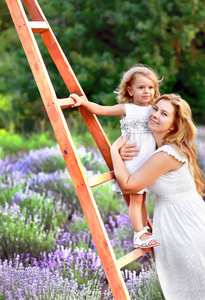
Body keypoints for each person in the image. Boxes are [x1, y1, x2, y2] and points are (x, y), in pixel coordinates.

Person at [111, 94, 205, 299]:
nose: (154, 115)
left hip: (187, 229)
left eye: (164, 114)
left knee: (203, 292)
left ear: (173, 126)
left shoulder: (166, 154)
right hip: (190, 221)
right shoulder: (162, 149)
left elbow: (128, 186)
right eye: (155, 108)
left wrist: (113, 151)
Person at [69, 64, 161, 248]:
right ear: (130, 90)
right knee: (136, 199)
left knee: (142, 199)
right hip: (133, 159)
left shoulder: (154, 109)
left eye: (150, 88)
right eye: (141, 87)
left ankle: (145, 230)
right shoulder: (127, 109)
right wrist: (83, 102)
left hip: (148, 160)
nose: (146, 92)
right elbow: (100, 110)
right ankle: (139, 235)